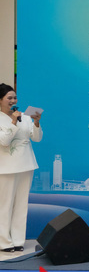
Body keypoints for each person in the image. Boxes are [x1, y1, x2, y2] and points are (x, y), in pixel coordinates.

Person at [0, 84, 41, 252]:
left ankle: (18, 241)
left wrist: (36, 123)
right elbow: (4, 141)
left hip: (26, 164)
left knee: (21, 204)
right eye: (9, 98)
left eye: (15, 97)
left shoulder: (25, 116)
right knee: (5, 205)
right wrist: (13, 122)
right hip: (6, 167)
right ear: (0, 100)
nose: (13, 101)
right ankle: (4, 242)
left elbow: (36, 138)